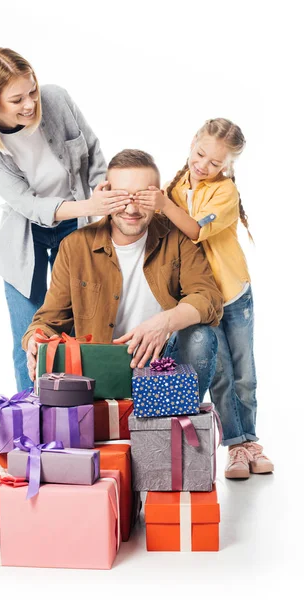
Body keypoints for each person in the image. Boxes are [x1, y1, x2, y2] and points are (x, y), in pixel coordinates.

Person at [0, 47, 131, 391]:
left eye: (32, 91)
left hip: (77, 225)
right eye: (17, 100)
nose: (30, 104)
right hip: (26, 236)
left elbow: (93, 154)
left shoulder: (56, 100)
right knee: (28, 336)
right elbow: (26, 203)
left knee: (74, 329)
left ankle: (75, 415)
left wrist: (103, 199)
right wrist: (91, 206)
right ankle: (29, 423)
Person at [22, 149, 223, 404]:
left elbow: (209, 298)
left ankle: (177, 426)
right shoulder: (75, 246)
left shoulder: (177, 236)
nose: (131, 208)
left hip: (163, 369)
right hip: (100, 372)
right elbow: (49, 320)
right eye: (121, 197)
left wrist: (164, 322)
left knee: (200, 337)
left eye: (142, 197)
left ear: (158, 197)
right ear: (106, 195)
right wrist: (34, 341)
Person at [133, 119, 274, 479]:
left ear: (228, 165)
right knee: (222, 373)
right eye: (200, 155)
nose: (204, 166)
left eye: (215, 163)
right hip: (201, 298)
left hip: (233, 294)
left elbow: (194, 230)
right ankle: (236, 446)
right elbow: (161, 224)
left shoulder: (225, 193)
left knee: (245, 372)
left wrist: (164, 203)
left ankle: (250, 441)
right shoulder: (177, 186)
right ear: (193, 142)